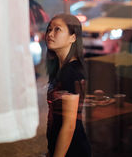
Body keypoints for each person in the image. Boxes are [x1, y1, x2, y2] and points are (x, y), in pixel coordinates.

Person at [45, 13, 91, 157]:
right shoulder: (61, 69)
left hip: (72, 150)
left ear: (73, 37)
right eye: (49, 29)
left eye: (57, 29)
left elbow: (69, 125)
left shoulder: (71, 71)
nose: (50, 34)